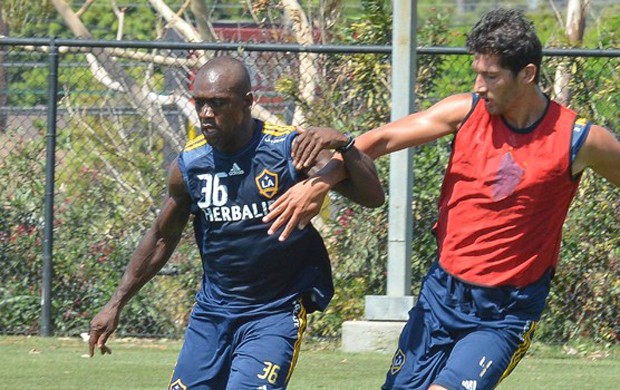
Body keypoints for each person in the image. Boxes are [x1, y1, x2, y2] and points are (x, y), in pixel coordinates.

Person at [263, 8, 620, 390]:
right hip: (441, 296)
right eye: (477, 73)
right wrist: (318, 184)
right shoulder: (464, 112)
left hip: (504, 312)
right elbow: (378, 141)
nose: (479, 85)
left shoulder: (579, 139)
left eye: (491, 76)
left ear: (528, 74)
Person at [88, 56, 384, 390]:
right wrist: (115, 304)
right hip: (212, 315)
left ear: (247, 103)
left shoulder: (289, 149)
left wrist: (345, 143)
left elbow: (372, 196)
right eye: (199, 103)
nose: (205, 113)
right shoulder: (190, 166)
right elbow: (161, 238)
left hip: (273, 312)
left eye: (217, 103)